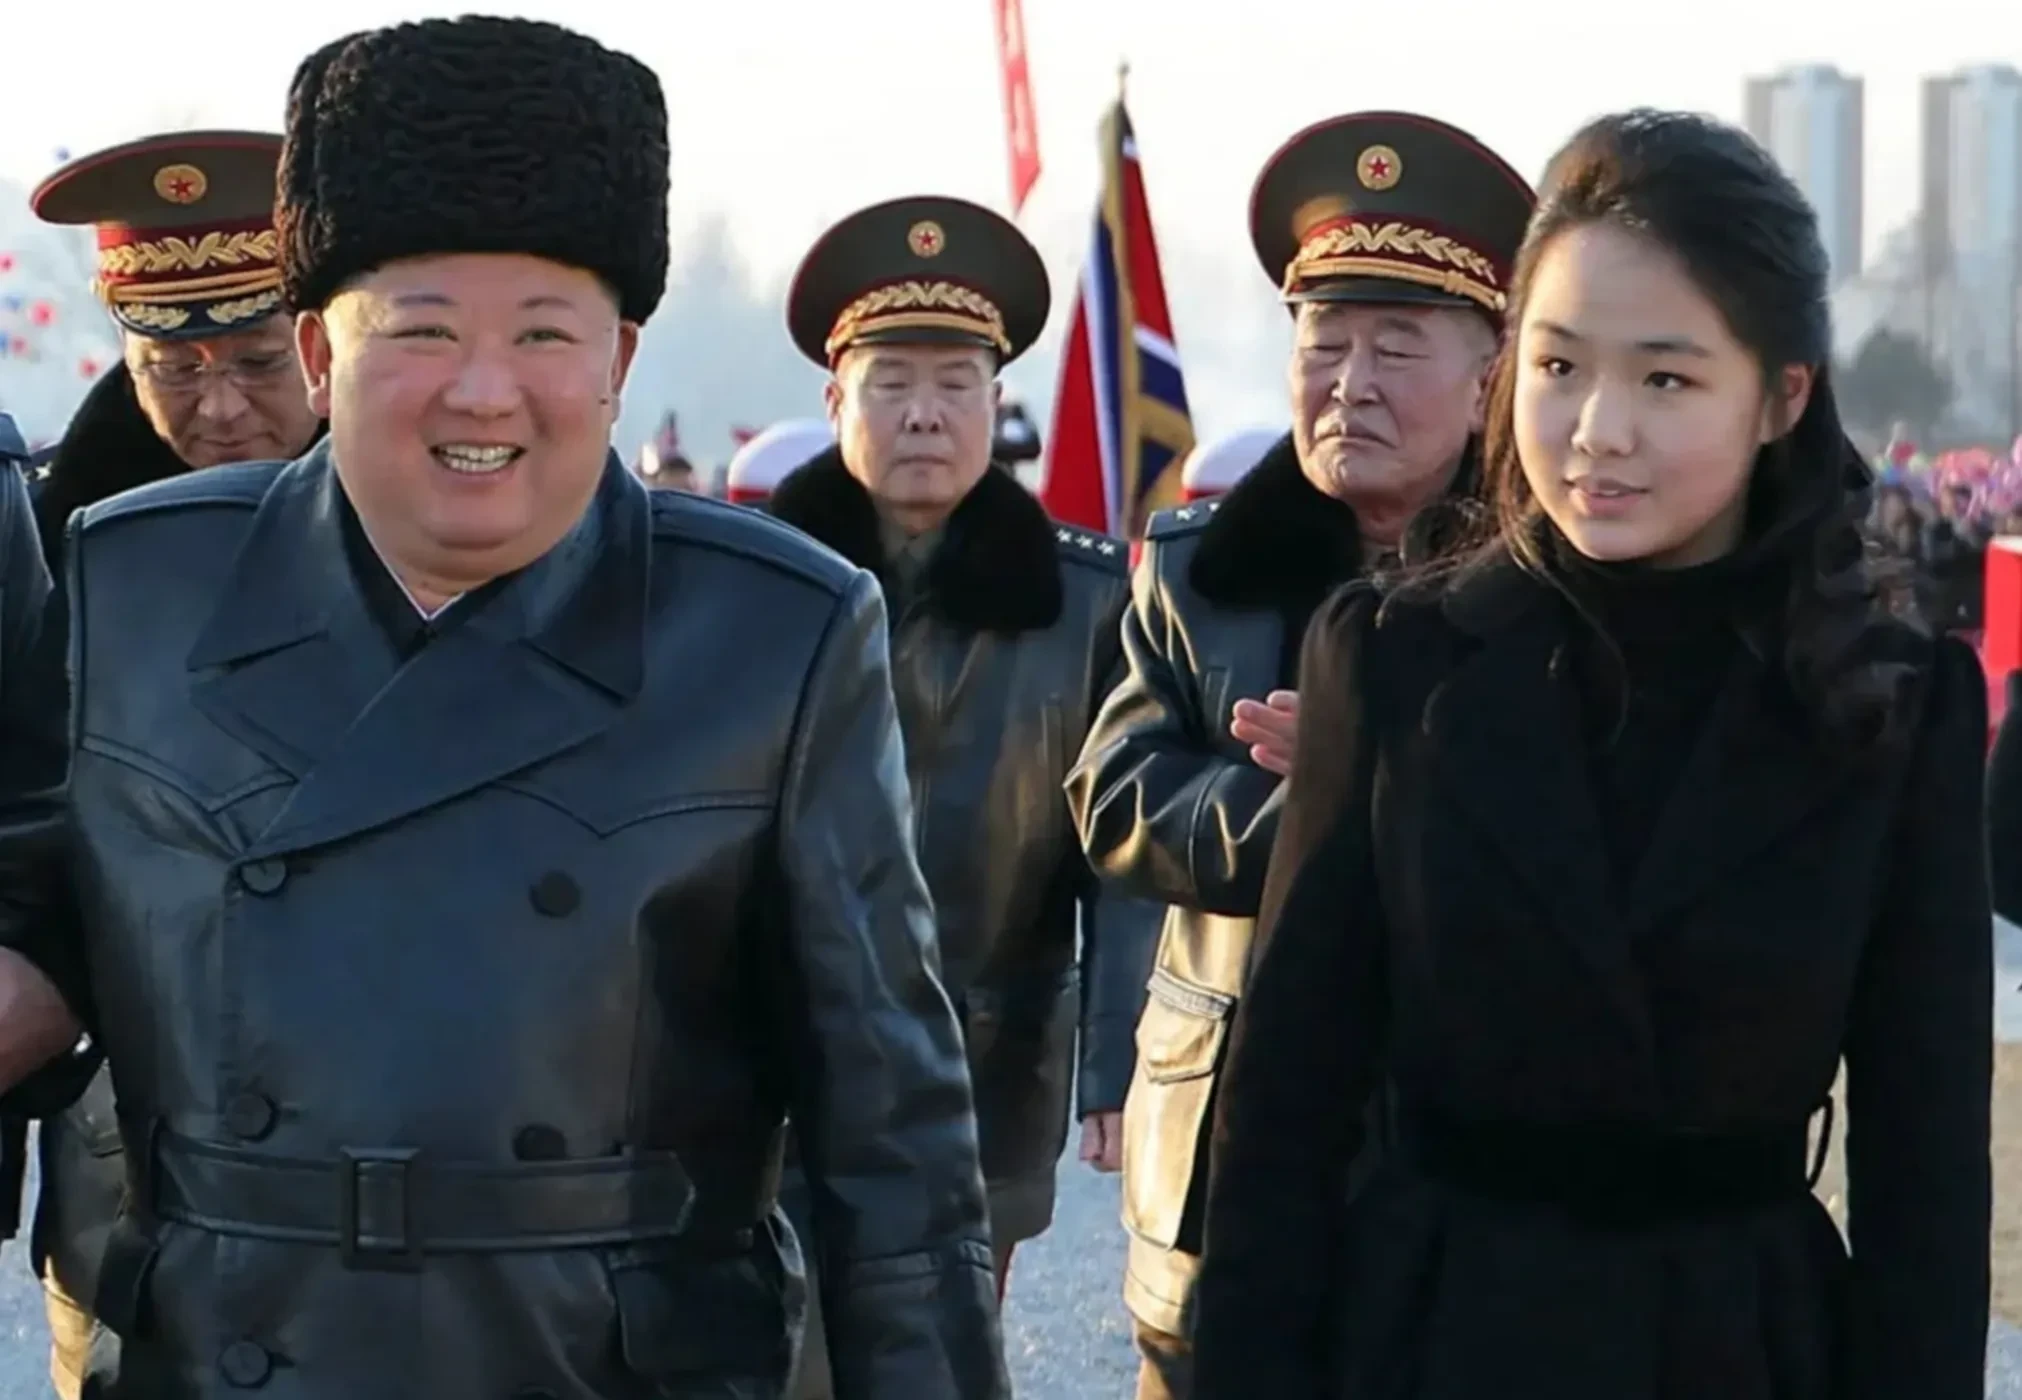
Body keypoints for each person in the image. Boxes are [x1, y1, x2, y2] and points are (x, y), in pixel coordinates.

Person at [0, 17, 1005, 1397]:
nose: (484, 391)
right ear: (320, 348)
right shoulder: (140, 582)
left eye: (543, 332)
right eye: (422, 331)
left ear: (619, 359)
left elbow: (894, 1148)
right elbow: (45, 916)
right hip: (229, 1352)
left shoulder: (773, 633)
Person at [1192, 109, 1991, 1399]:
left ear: (1782, 396)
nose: (1596, 430)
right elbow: (1283, 1115)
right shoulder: (1394, 660)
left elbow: (1927, 1167)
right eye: (1559, 365)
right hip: (1427, 1336)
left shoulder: (1890, 705)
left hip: (1740, 1344)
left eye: (1666, 380)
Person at [1064, 111, 1533, 1400]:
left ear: (1491, 375)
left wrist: (1391, 775)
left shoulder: (1551, 590)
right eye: (1324, 342)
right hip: (1227, 1139)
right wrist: (1312, 807)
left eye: (1398, 346)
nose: (1350, 382)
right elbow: (1114, 795)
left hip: (1467, 1149)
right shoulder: (1198, 572)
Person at [765, 194, 1157, 1397]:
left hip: (990, 1052)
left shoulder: (1088, 603)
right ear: (836, 401)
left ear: (998, 404)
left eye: (955, 382)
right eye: (890, 382)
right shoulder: (763, 593)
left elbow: (1119, 853)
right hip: (776, 1053)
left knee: (937, 1348)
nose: (924, 413)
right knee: (782, 1345)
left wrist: (1114, 1065)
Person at [6, 129, 323, 1400]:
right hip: (129, 1179)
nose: (220, 408)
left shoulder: (444, 534)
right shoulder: (58, 552)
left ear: (324, 339)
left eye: (255, 361)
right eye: (171, 368)